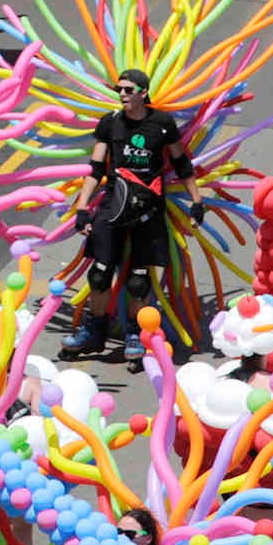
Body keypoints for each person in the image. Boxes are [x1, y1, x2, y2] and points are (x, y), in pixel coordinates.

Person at [64, 67, 192, 367]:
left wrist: (196, 202)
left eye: (128, 90)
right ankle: (95, 331)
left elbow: (181, 162)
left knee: (138, 280)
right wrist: (83, 208)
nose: (122, 94)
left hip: (148, 210)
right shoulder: (110, 123)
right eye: (119, 89)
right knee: (98, 273)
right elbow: (95, 170)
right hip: (112, 207)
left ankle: (135, 334)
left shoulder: (161, 123)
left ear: (143, 93)